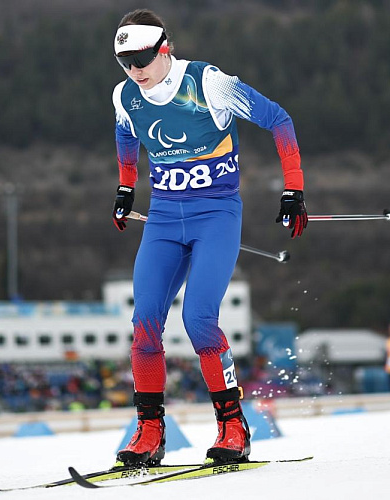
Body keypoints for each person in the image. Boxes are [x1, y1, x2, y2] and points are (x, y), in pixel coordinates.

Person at [110, 9, 307, 466]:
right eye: (125, 61)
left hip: (215, 215)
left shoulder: (207, 83)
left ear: (164, 48)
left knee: (199, 319)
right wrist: (124, 187)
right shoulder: (125, 95)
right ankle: (149, 432)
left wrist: (293, 188)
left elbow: (278, 119)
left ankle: (233, 427)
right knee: (144, 324)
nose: (135, 70)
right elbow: (125, 136)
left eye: (141, 58)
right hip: (162, 219)